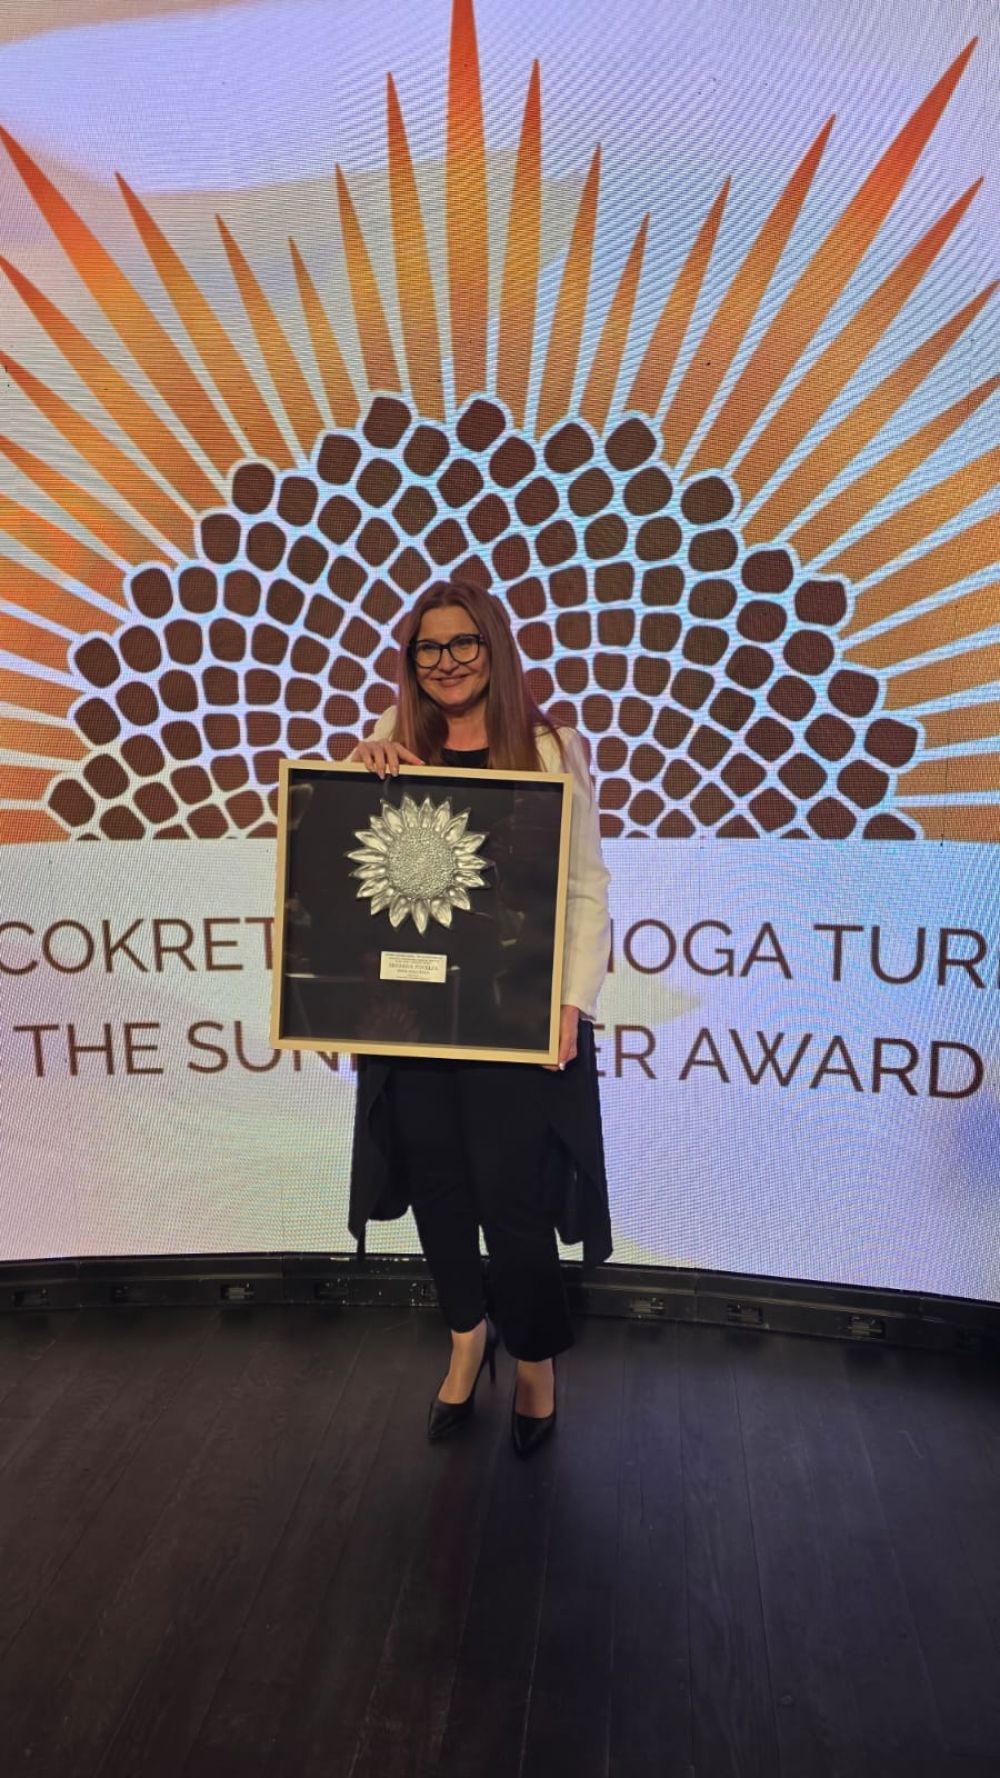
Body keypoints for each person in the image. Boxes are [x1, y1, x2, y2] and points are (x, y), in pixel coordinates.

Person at [347, 577, 612, 1457]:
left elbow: (584, 887)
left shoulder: (550, 747)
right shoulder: (392, 736)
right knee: (437, 1189)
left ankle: (533, 1357)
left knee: (512, 1194)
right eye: (428, 647)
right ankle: (468, 1336)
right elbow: (353, 872)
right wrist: (355, 777)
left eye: (463, 643)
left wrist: (572, 1003)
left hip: (515, 1014)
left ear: (493, 649)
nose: (447, 661)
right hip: (415, 1014)